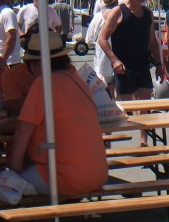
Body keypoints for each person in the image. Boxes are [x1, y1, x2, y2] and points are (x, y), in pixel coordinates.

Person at [8, 31, 108, 198]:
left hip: (65, 177)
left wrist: (14, 172)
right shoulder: (77, 80)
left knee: (3, 184)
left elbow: (22, 131)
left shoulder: (44, 84)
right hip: (98, 174)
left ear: (38, 64)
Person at [98, 0, 163, 145]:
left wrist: (159, 65)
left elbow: (153, 42)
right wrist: (114, 60)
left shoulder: (147, 14)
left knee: (145, 106)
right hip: (124, 67)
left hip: (142, 65)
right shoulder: (118, 12)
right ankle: (107, 136)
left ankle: (143, 142)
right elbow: (102, 39)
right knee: (123, 108)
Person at [86, 0, 119, 96]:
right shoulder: (121, 15)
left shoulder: (98, 17)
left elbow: (89, 39)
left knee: (106, 91)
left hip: (103, 58)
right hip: (120, 56)